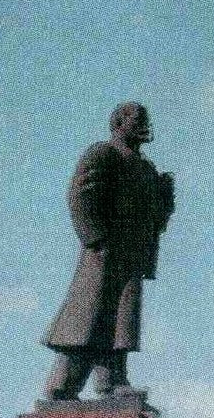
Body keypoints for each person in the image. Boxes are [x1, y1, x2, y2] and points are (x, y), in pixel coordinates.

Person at [43, 101, 176, 400]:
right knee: (88, 317)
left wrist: (164, 201)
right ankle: (62, 385)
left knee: (121, 321)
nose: (145, 125)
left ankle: (112, 381)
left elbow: (154, 219)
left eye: (147, 120)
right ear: (119, 123)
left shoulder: (146, 167)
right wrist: (96, 239)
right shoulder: (103, 153)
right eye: (138, 119)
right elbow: (80, 194)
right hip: (105, 251)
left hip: (131, 254)